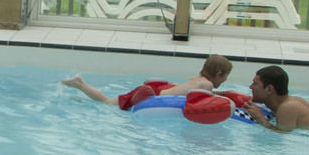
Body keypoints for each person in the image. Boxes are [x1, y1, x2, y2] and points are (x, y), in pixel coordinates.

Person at [61, 54, 232, 108]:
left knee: (111, 101)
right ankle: (80, 85)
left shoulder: (199, 79)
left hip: (156, 90)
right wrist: (223, 97)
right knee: (107, 103)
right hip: (153, 96)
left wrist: (221, 92)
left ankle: (80, 90)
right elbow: (202, 99)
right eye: (225, 77)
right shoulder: (207, 85)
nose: (224, 80)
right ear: (218, 73)